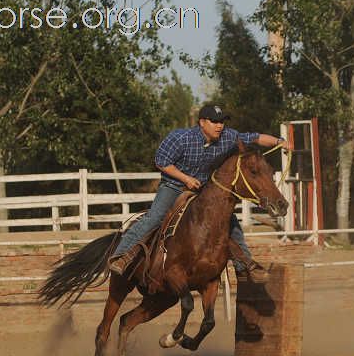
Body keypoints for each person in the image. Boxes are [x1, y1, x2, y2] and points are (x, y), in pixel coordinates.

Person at [108, 104, 291, 277]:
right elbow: (162, 162)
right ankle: (122, 256)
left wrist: (280, 141)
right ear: (202, 122)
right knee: (155, 217)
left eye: (222, 122)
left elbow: (256, 138)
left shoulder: (228, 136)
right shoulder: (181, 137)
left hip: (203, 189)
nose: (219, 126)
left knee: (231, 223)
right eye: (214, 122)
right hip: (174, 186)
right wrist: (186, 179)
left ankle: (244, 265)